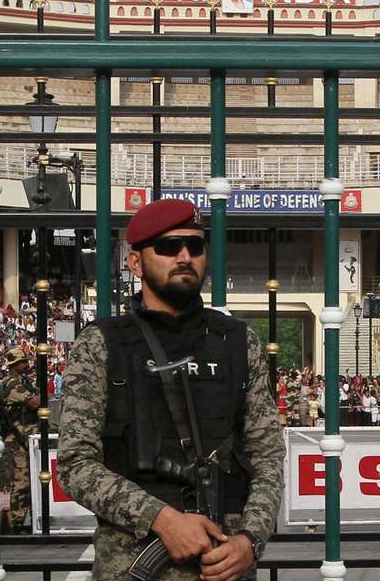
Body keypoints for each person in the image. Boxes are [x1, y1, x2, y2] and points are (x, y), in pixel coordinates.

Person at [58, 198, 283, 581]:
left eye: (195, 247)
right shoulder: (102, 344)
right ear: (135, 261)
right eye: (167, 247)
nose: (184, 256)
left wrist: (250, 539)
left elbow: (268, 456)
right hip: (134, 560)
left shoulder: (238, 342)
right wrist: (161, 519)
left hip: (225, 560)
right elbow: (75, 464)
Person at [0, 346, 41, 533]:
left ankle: (28, 520)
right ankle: (16, 524)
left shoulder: (23, 381)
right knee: (21, 482)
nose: (27, 364)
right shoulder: (11, 383)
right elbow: (34, 402)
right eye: (23, 362)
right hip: (18, 438)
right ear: (15, 364)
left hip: (28, 436)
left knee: (32, 480)